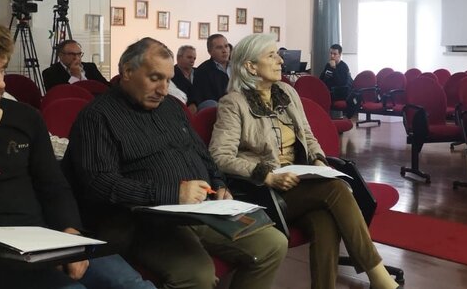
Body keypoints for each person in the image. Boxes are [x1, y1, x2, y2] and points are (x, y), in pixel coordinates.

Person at [0, 15, 151, 289]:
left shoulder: (25, 117)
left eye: (2, 70)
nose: (0, 84)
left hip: (43, 240)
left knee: (132, 284)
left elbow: (53, 186)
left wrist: (70, 232)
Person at [65, 37, 287, 289]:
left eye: (168, 80)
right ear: (127, 71)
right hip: (144, 221)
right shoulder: (97, 117)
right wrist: (173, 193)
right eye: (155, 78)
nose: (163, 89)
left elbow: (202, 154)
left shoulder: (170, 107)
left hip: (202, 209)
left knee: (273, 244)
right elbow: (100, 183)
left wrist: (219, 184)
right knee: (198, 274)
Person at [208, 34, 399, 289]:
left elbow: (308, 136)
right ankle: (378, 275)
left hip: (300, 182)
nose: (280, 61)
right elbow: (219, 156)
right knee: (335, 188)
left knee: (325, 221)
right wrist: (267, 175)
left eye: (278, 55)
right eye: (271, 56)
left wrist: (318, 160)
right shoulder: (234, 103)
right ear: (251, 66)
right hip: (265, 191)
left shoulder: (287, 92)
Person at [43, 39, 109, 91]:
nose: (76, 58)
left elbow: (106, 87)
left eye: (79, 54)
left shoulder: (91, 67)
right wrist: (75, 77)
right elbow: (58, 95)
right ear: (60, 55)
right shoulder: (50, 73)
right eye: (71, 54)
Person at [194, 34, 232, 109]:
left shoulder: (237, 67)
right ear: (210, 51)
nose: (224, 51)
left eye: (226, 46)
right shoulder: (203, 71)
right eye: (219, 47)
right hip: (219, 109)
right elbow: (207, 99)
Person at [172, 45, 197, 109]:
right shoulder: (171, 74)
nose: (192, 61)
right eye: (189, 57)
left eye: (194, 58)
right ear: (178, 58)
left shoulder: (199, 73)